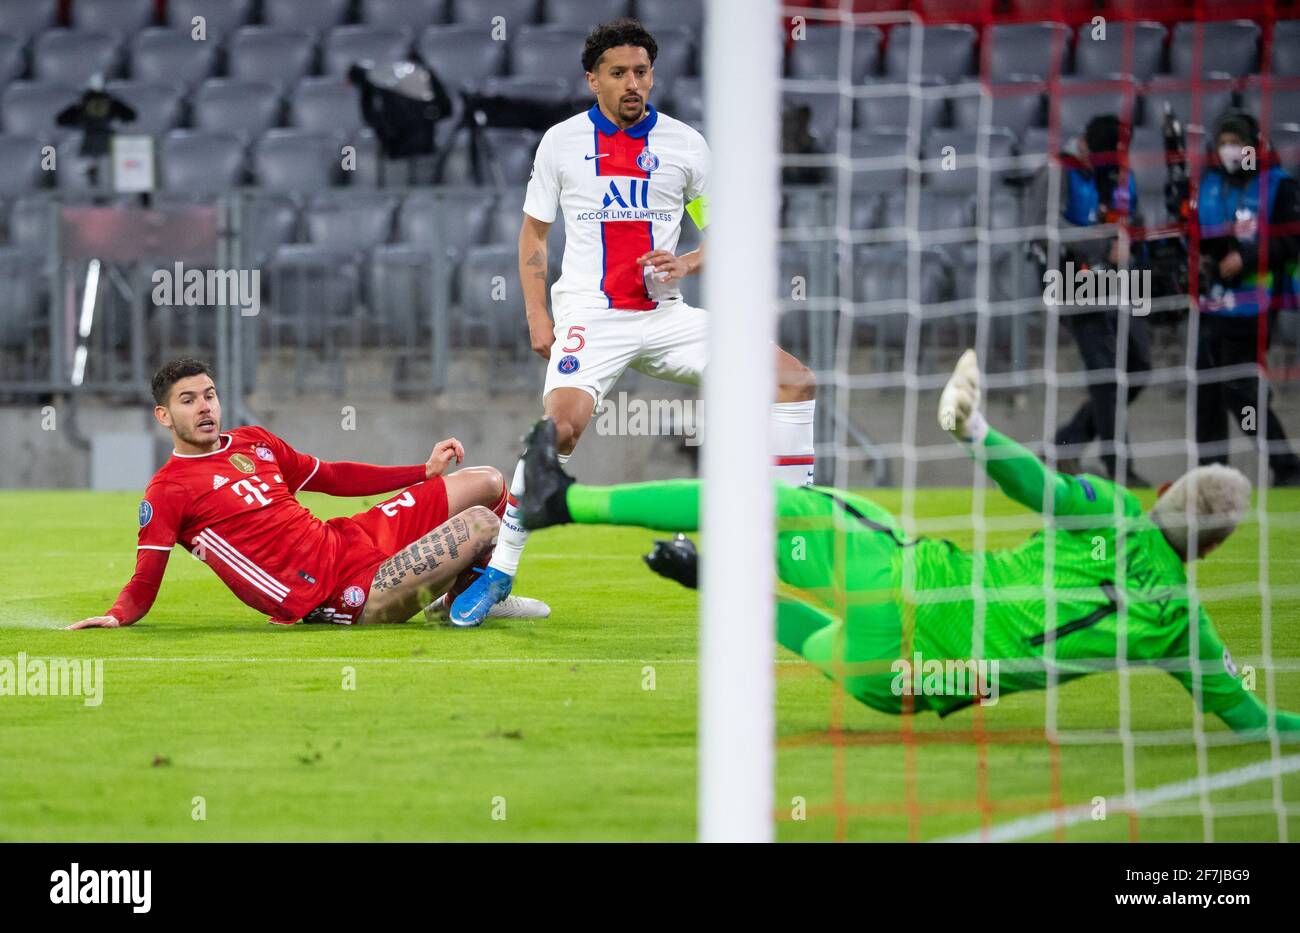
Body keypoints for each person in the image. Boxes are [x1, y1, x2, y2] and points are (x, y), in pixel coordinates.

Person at [515, 352, 1299, 736]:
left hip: (910, 584)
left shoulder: (1114, 512)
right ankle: (716, 582)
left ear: (1162, 495)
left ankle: (567, 500)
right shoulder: (1184, 624)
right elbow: (1257, 722)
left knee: (772, 501)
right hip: (908, 683)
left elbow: (1033, 484)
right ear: (1207, 553)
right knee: (821, 637)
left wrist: (973, 429)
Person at [448, 17, 817, 626]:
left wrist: (688, 261)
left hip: (668, 316)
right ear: (593, 79)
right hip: (593, 317)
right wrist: (539, 315)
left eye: (641, 72)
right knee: (558, 432)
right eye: (618, 73)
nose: (632, 83)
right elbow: (534, 236)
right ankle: (499, 573)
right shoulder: (562, 143)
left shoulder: (685, 146)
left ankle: (798, 535)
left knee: (794, 382)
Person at [68, 358, 547, 630]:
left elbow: (333, 477)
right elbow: (144, 578)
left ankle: (478, 590)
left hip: (352, 537)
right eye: (188, 401)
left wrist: (420, 472)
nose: (205, 407)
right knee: (482, 523)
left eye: (209, 395)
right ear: (164, 416)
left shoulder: (253, 441)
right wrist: (115, 616)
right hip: (339, 593)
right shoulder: (169, 490)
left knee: (488, 481)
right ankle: (462, 599)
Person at [1038, 114, 1152, 485]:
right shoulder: (1060, 170)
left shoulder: (1121, 175)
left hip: (1119, 280)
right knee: (1105, 374)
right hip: (1073, 278)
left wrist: (1132, 238)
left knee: (1137, 366)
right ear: (1086, 143)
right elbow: (1045, 228)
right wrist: (1103, 242)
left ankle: (1062, 447)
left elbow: (1133, 216)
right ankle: (1119, 468)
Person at [1195, 110, 1300, 486]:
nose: (1229, 151)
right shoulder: (1207, 184)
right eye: (1222, 144)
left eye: (1235, 143)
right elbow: (1194, 232)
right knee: (1206, 393)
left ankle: (1285, 463)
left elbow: (1293, 239)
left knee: (1239, 393)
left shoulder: (1279, 186)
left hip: (1254, 305)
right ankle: (1210, 476)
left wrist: (1248, 256)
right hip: (1210, 305)